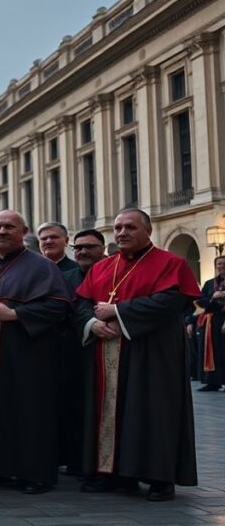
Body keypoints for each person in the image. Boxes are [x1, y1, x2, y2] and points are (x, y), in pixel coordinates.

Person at [75, 208, 198, 501]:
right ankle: (114, 474)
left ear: (148, 231)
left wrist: (117, 311)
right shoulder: (102, 267)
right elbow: (81, 303)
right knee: (112, 412)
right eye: (117, 228)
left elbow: (172, 300)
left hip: (153, 354)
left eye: (130, 227)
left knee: (153, 412)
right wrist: (93, 324)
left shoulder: (171, 262)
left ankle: (159, 478)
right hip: (106, 353)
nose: (122, 233)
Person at [0, 210, 71, 494]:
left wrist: (14, 313)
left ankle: (34, 473)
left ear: (23, 231)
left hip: (25, 353)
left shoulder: (42, 267)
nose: (1, 231)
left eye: (9, 227)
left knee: (27, 411)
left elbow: (58, 306)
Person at [59, 229, 107, 476]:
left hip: (108, 351)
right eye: (78, 248)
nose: (83, 251)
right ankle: (77, 460)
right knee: (75, 409)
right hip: (71, 355)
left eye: (90, 246)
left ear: (103, 249)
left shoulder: (113, 272)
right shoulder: (65, 278)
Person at [196, 256, 225, 392]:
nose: (221, 266)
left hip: (223, 320)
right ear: (215, 266)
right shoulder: (209, 284)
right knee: (212, 352)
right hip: (211, 322)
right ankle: (212, 381)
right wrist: (213, 298)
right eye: (219, 263)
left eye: (224, 263)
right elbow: (200, 303)